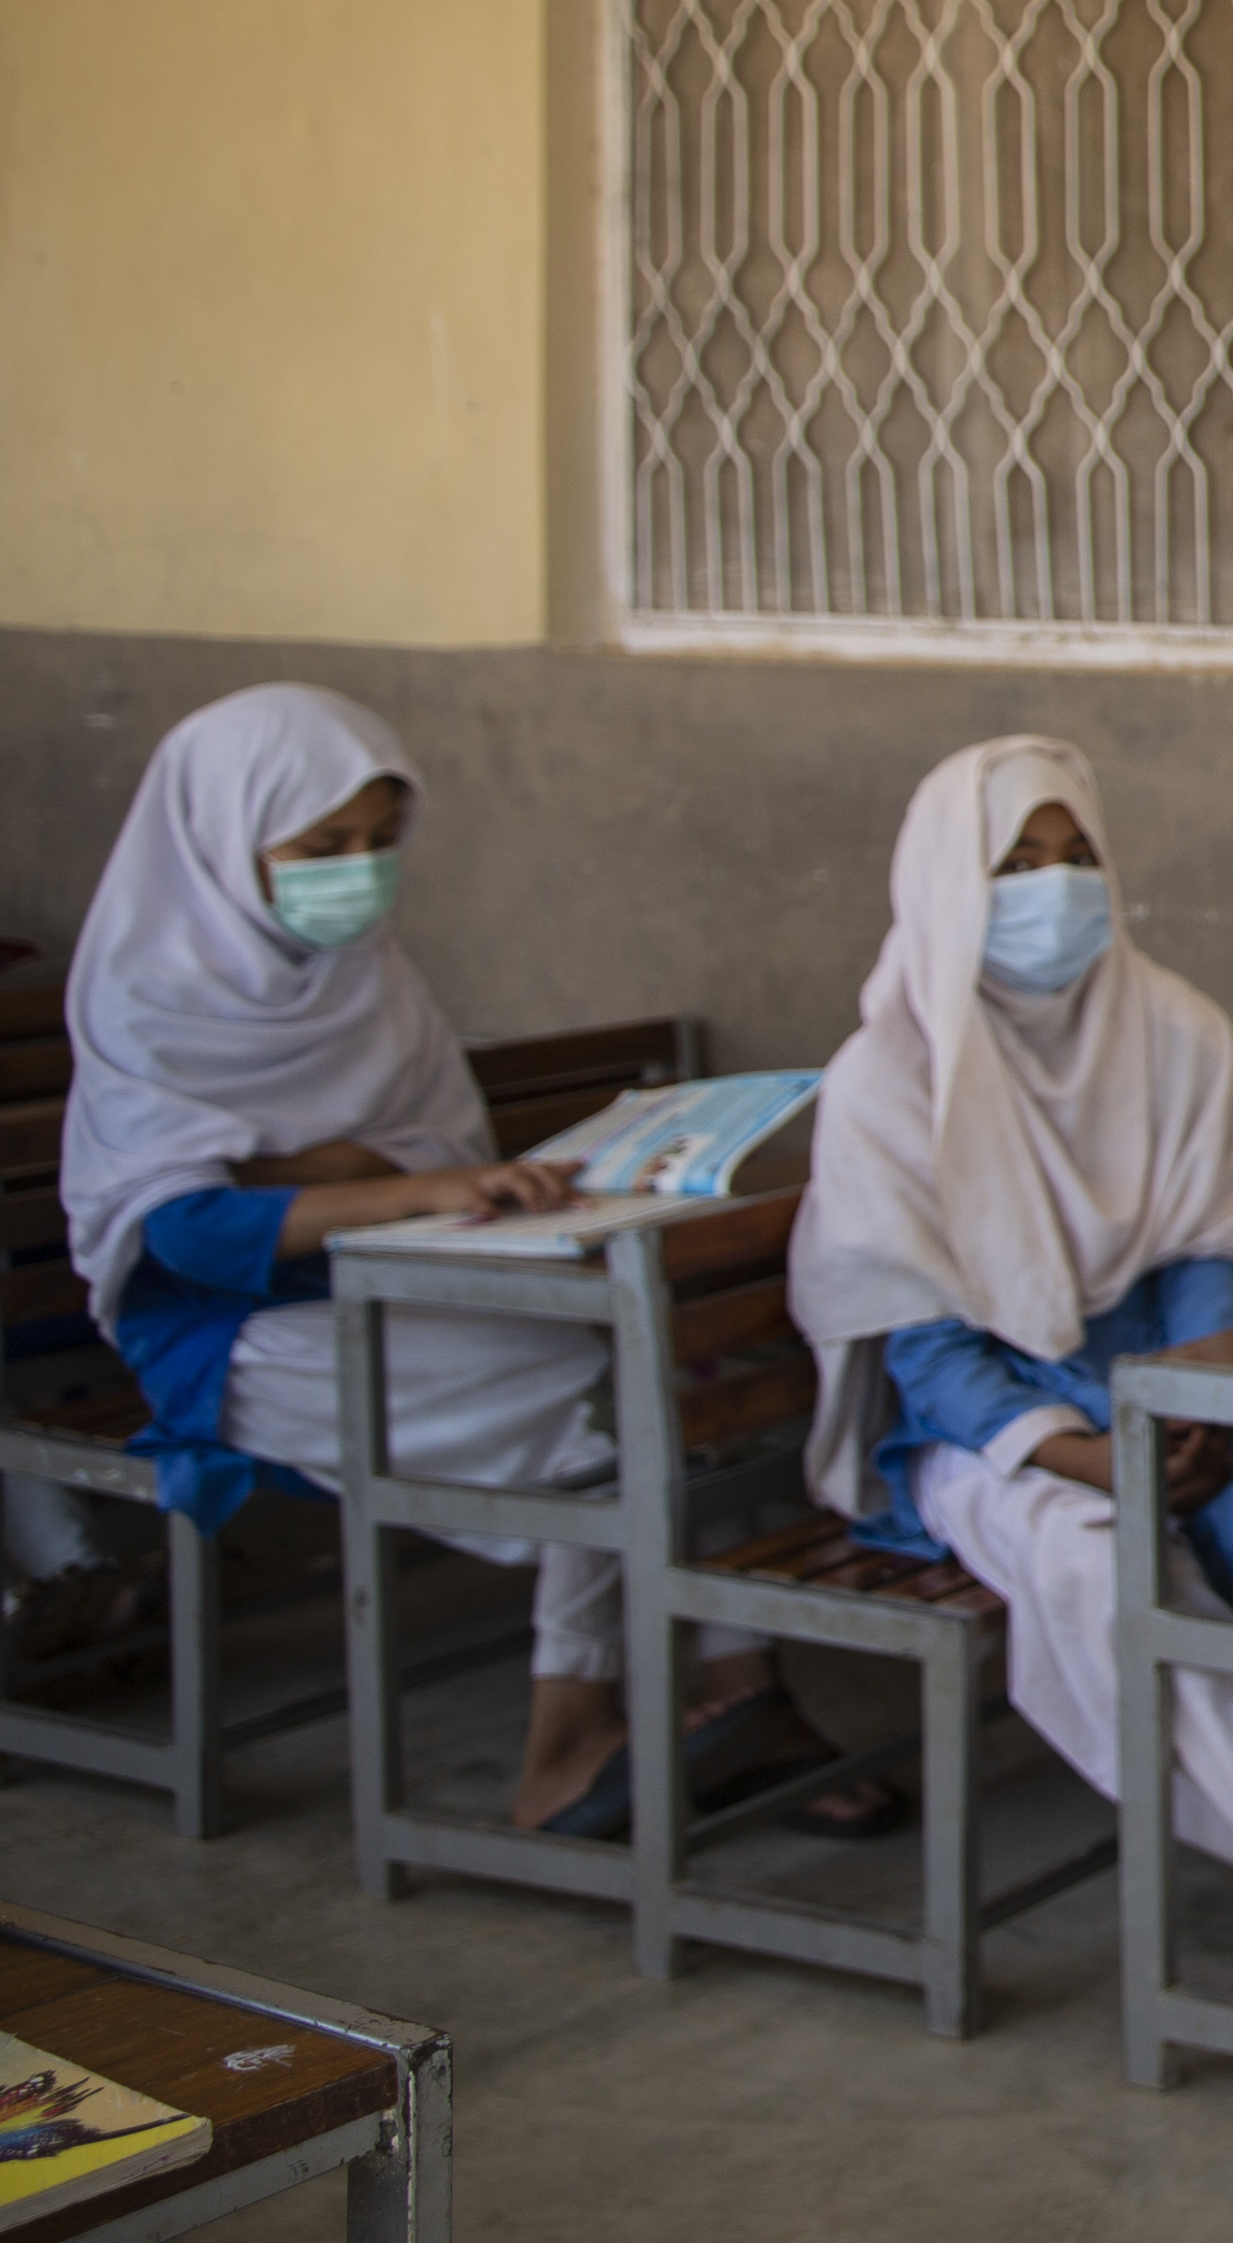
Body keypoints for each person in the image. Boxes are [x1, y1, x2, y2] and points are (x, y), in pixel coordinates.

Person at [60, 684, 856, 1837]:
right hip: (238, 1336)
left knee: (695, 1380)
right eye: (322, 845)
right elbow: (183, 1230)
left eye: (381, 842)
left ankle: (736, 1692)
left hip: (402, 1284)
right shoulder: (153, 990)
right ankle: (566, 1743)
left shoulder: (369, 976)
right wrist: (393, 1184)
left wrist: (341, 1175)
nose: (359, 871)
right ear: (224, 838)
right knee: (611, 1411)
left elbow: (425, 1148)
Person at [790, 738, 1233, 2006]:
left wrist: (1189, 1409)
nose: (1057, 888)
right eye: (1017, 864)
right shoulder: (890, 1076)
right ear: (950, 882)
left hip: (1193, 1400)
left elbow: (1213, 1256)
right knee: (1104, 1566)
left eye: (1078, 856)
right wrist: (1087, 1444)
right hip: (993, 1443)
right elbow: (927, 1349)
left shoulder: (1173, 1027)